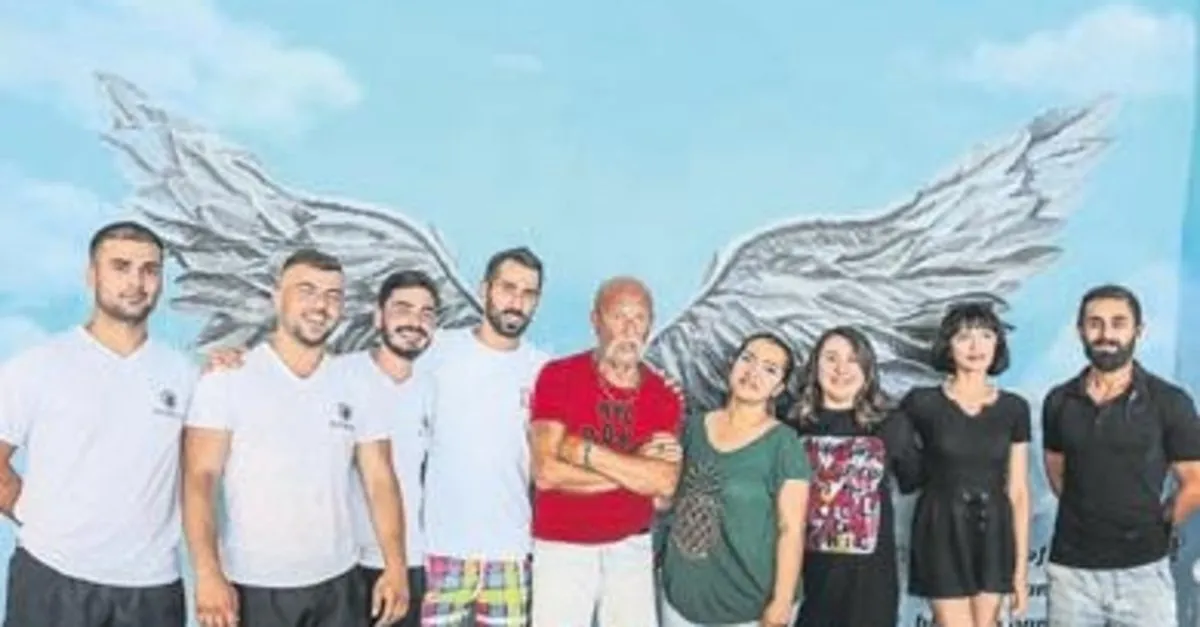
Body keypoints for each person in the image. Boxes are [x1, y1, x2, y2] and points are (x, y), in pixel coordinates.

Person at [184, 249, 410, 627]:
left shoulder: (358, 385)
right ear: (278, 297)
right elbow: (199, 478)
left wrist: (396, 566)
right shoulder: (227, 379)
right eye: (307, 291)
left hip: (339, 582)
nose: (320, 305)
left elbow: (380, 479)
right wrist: (207, 574)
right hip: (254, 584)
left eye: (333, 295)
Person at [0, 221, 195, 627]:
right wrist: (29, 512)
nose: (136, 282)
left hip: (152, 587)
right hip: (51, 577)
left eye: (149, 270)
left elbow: (202, 476)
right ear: (92, 275)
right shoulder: (37, 366)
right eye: (120, 267)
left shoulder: (185, 376)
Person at [1041, 284, 1200, 627]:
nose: (1106, 334)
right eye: (1095, 323)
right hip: (1071, 574)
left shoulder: (1170, 402)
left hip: (1143, 572)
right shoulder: (1058, 401)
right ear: (1080, 330)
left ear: (1138, 331)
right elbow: (1057, 473)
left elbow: (1194, 483)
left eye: (1118, 323)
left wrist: (1156, 524)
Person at [529, 276, 684, 627]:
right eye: (619, 316)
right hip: (562, 545)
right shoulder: (558, 376)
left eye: (639, 318)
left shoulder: (664, 395)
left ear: (650, 324)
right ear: (596, 321)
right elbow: (546, 473)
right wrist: (636, 472)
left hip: (632, 546)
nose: (629, 329)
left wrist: (584, 452)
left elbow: (663, 485)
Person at [418, 247, 550, 626]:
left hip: (510, 553)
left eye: (528, 293)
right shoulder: (437, 351)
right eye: (508, 288)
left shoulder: (544, 370)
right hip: (440, 550)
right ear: (484, 289)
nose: (516, 302)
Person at [659, 331, 810, 627]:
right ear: (733, 364)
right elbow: (664, 500)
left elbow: (791, 529)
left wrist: (781, 602)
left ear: (779, 387)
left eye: (769, 369)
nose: (753, 372)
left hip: (748, 606)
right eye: (747, 359)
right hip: (680, 601)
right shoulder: (692, 428)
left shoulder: (784, 444)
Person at [902, 302, 1031, 627]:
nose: (976, 346)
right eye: (964, 337)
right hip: (941, 529)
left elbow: (1017, 492)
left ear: (998, 343)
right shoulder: (921, 402)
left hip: (994, 531)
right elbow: (894, 451)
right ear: (948, 346)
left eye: (986, 335)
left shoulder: (1014, 408)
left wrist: (1019, 571)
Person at [790, 326, 923, 627]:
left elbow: (914, 480)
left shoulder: (892, 424)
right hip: (805, 579)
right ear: (814, 366)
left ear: (867, 369)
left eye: (852, 360)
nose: (841, 369)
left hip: (869, 586)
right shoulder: (791, 426)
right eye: (831, 358)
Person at [347, 269, 442, 627]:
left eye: (426, 314)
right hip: (347, 564)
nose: (415, 322)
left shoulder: (433, 389)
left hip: (413, 561)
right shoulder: (341, 375)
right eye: (403, 309)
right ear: (378, 316)